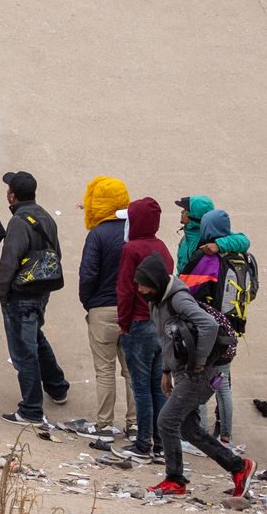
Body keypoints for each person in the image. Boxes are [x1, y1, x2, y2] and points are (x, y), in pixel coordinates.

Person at [136, 253, 257, 498]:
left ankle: (175, 480)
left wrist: (198, 362)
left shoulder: (178, 299)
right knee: (189, 429)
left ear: (156, 282)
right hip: (182, 371)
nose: (140, 289)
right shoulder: (156, 301)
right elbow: (166, 339)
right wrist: (166, 371)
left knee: (166, 421)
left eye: (143, 284)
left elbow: (208, 326)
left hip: (198, 373)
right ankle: (238, 467)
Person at [0, 170, 72, 425]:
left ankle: (31, 409)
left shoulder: (18, 222)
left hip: (21, 294)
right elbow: (57, 254)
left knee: (23, 351)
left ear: (13, 196)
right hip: (42, 290)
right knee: (35, 337)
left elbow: (9, 262)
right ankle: (57, 386)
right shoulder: (46, 217)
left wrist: (3, 292)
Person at [180, 207, 249, 446]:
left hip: (208, 328)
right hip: (233, 326)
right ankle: (226, 435)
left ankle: (199, 435)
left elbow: (188, 289)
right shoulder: (244, 257)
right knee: (223, 382)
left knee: (200, 381)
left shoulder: (208, 257)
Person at [115, 196, 173, 464]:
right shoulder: (162, 248)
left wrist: (124, 324)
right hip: (160, 324)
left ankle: (143, 444)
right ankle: (161, 444)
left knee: (141, 387)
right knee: (158, 385)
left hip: (138, 323)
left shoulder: (131, 249)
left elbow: (125, 290)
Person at [78, 175, 134, 443]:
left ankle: (105, 424)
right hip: (134, 310)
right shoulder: (135, 232)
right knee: (132, 370)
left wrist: (88, 302)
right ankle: (136, 424)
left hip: (102, 308)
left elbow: (88, 273)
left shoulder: (98, 234)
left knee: (105, 370)